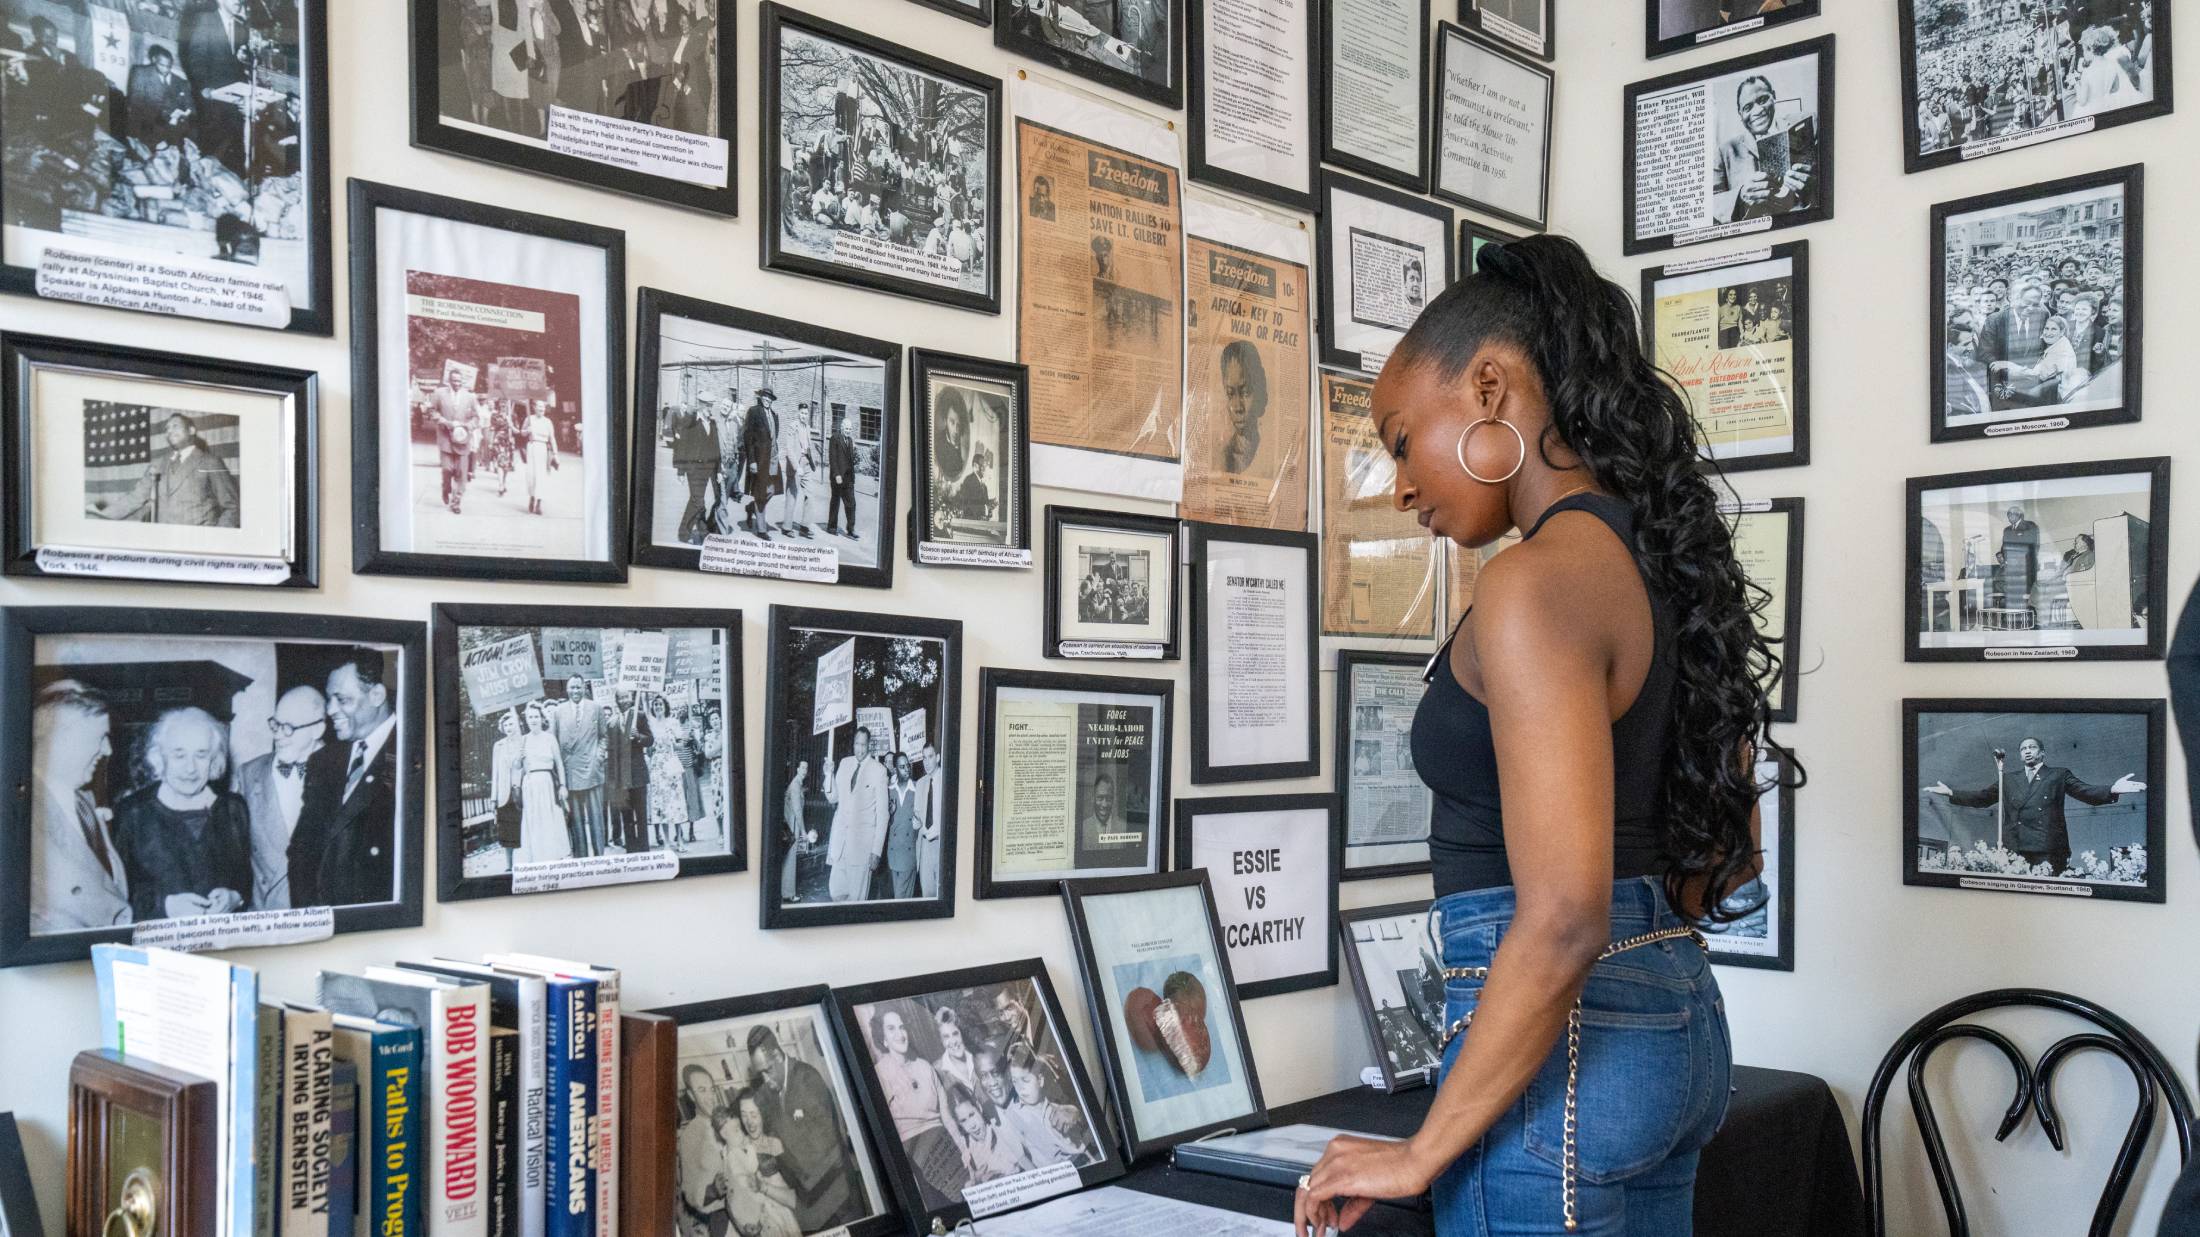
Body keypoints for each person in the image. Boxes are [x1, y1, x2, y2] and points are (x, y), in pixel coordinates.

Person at [1294, 236, 1785, 1236]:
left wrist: (1422, 1149)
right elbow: (1725, 869)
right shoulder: (1667, 570)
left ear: (1490, 388)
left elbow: (1562, 915)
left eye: (1399, 439)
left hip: (1565, 1055)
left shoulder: (1531, 583)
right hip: (1672, 1021)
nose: (1399, 484)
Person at [113, 707, 254, 923]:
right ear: (159, 757)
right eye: (179, 755)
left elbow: (244, 877)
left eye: (201, 755)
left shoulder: (234, 809)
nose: (191, 768)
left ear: (214, 759)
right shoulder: (132, 812)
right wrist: (165, 906)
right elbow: (114, 896)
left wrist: (235, 897)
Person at [1923, 736, 2144, 873]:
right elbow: (1982, 798)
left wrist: (2112, 789)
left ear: (2042, 753)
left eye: (2032, 747)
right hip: (2015, 847)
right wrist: (1951, 792)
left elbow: (2084, 791)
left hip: (2048, 848)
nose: (2027, 750)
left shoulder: (2058, 775)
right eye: (2023, 748)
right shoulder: (2008, 778)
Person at [288, 653, 400, 908]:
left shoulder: (412, 752)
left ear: (376, 696)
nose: (330, 710)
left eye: (342, 700)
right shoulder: (323, 761)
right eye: (330, 699)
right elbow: (302, 852)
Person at [28, 683, 132, 934]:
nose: (108, 750)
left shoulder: (84, 802)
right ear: (56, 739)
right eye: (99, 738)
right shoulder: (23, 813)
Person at [747, 1024, 864, 1229]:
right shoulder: (773, 1095)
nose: (766, 1080)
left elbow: (826, 1148)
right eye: (761, 1075)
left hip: (839, 1201)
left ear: (777, 1054)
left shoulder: (807, 1079)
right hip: (814, 1200)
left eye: (768, 1070)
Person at [238, 685, 326, 910]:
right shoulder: (249, 774)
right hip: (264, 916)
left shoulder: (344, 771)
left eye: (288, 727)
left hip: (318, 914)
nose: (277, 735)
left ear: (317, 729)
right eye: (275, 724)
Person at [871, 1008, 967, 1205]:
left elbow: (946, 1116)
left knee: (968, 1192)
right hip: (912, 1152)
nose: (900, 1034)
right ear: (883, 1039)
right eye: (891, 1029)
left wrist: (963, 1147)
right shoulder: (880, 1075)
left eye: (902, 1027)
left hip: (943, 1142)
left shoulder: (924, 1066)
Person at [88, 414, 240, 528]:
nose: (169, 431)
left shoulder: (210, 462)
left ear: (192, 430)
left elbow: (232, 507)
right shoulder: (158, 464)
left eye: (175, 426)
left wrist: (217, 539)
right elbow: (135, 497)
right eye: (167, 429)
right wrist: (103, 516)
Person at [1714, 74, 1814, 222]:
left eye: (1763, 100)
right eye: (1748, 107)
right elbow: (1711, 203)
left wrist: (1812, 184)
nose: (1757, 111)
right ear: (1740, 113)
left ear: (1774, 97)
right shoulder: (1725, 151)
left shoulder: (1808, 123)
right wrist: (1740, 196)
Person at [179, 0, 256, 174]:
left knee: (235, 154)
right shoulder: (205, 19)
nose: (240, 1)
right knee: (213, 152)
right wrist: (205, 88)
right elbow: (196, 58)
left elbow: (241, 67)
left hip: (234, 102)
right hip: (212, 101)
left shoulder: (240, 28)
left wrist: (246, 94)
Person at [826, 727, 889, 901]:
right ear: (853, 744)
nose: (859, 749)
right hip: (841, 846)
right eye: (856, 744)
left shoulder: (879, 770)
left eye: (863, 744)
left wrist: (876, 851)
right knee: (835, 893)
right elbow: (832, 798)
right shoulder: (845, 764)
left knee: (856, 901)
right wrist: (828, 775)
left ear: (869, 745)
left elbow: (883, 815)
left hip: (862, 849)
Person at [552, 678, 608, 858]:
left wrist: (598, 756)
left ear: (584, 688)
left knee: (596, 818)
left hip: (592, 770)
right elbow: (553, 741)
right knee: (575, 820)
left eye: (578, 687)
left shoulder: (596, 708)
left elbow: (604, 737)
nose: (575, 690)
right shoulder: (558, 711)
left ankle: (599, 856)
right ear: (567, 689)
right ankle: (581, 858)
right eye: (571, 687)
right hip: (570, 771)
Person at [642, 695, 696, 849]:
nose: (658, 707)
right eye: (656, 704)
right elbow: (648, 748)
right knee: (662, 805)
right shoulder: (650, 724)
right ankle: (666, 842)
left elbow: (680, 745)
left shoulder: (673, 722)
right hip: (657, 767)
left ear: (665, 706)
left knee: (676, 803)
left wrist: (680, 739)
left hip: (671, 764)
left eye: (661, 704)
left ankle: (679, 840)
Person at [126, 44, 195, 152]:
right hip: (149, 123)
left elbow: (190, 105)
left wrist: (186, 112)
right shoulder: (140, 73)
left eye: (169, 66)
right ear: (154, 60)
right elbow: (136, 102)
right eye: (162, 65)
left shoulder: (181, 82)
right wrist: (166, 115)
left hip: (175, 125)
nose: (166, 69)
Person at [431, 370, 483, 514]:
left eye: (459, 381)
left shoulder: (470, 397)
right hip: (446, 437)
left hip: (463, 439)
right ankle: (445, 487)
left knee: (461, 473)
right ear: (449, 380)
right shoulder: (439, 393)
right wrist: (446, 422)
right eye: (454, 381)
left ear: (463, 382)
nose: (457, 384)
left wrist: (468, 426)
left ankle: (456, 502)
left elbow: (477, 417)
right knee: (447, 469)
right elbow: (432, 412)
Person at [740, 388, 784, 539]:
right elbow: (748, 437)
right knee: (760, 492)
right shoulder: (754, 412)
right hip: (758, 460)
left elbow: (774, 437)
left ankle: (752, 507)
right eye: (765, 397)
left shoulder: (774, 415)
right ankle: (761, 529)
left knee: (772, 489)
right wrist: (752, 460)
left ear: (772, 400)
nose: (767, 400)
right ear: (761, 398)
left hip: (772, 458)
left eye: (770, 397)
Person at [1219, 339, 1268, 475]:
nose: (1237, 407)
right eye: (1230, 394)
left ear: (1258, 389)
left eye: (1245, 392)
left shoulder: (1269, 450)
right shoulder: (1224, 458)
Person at [885, 753, 921, 899]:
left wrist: (918, 824)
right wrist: (890, 813)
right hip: (893, 852)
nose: (906, 769)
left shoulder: (917, 788)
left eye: (907, 765)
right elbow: (884, 824)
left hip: (909, 852)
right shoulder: (888, 790)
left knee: (900, 896)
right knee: (902, 897)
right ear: (895, 769)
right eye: (902, 766)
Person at [778, 402, 817, 538]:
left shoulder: (807, 427)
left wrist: (811, 463)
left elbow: (808, 447)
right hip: (796, 465)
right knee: (792, 495)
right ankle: (786, 527)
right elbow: (789, 449)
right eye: (802, 413)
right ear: (798, 413)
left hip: (806, 465)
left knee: (810, 495)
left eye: (806, 414)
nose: (804, 416)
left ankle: (805, 526)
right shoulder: (792, 427)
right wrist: (797, 467)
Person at [1943, 324, 1994, 421]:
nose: (1970, 348)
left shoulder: (1963, 365)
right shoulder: (1948, 371)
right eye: (1966, 344)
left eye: (1971, 343)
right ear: (1950, 346)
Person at [825, 407, 859, 538]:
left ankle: (851, 529)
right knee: (836, 501)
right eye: (846, 428)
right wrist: (837, 475)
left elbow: (850, 460)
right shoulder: (835, 438)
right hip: (838, 477)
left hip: (849, 478)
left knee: (851, 503)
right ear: (842, 427)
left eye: (850, 429)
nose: (848, 431)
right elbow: (833, 458)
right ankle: (832, 527)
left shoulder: (850, 441)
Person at [522, 399, 559, 516]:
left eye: (543, 407)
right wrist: (527, 431)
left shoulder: (548, 422)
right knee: (531, 475)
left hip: (543, 448)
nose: (541, 409)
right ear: (534, 408)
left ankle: (539, 503)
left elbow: (552, 438)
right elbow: (522, 433)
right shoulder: (529, 419)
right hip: (532, 447)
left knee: (541, 476)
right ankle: (532, 497)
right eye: (539, 407)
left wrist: (556, 454)